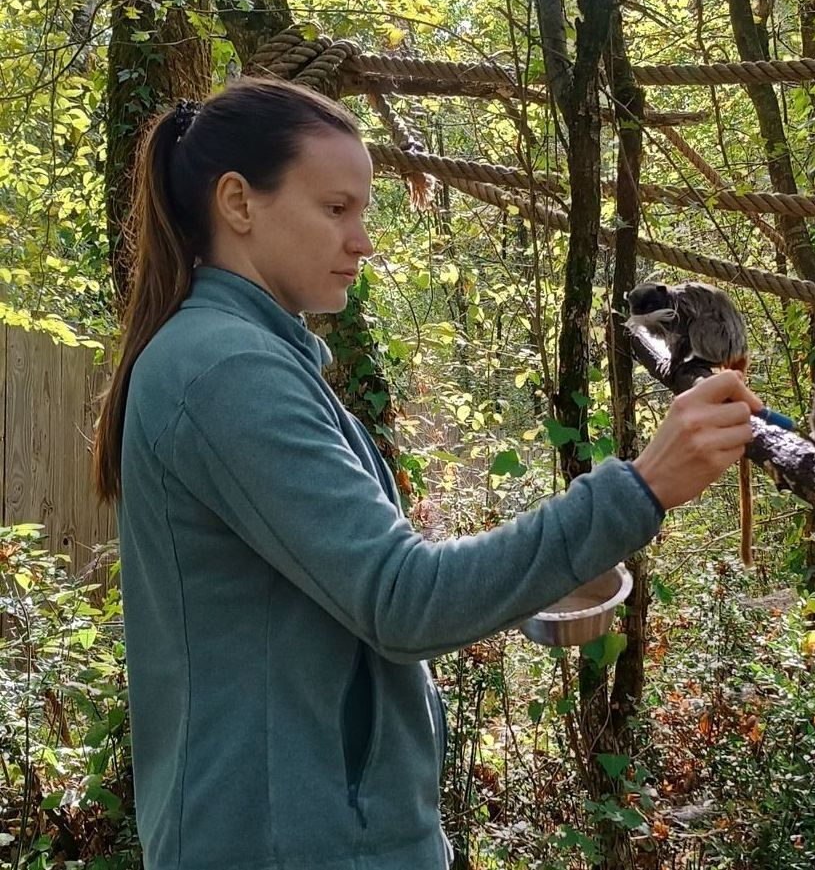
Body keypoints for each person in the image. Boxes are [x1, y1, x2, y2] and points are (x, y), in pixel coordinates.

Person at [93, 77, 762, 870]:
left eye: (362, 211)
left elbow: (354, 581)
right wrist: (641, 486)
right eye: (335, 209)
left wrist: (519, 571)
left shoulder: (241, 356)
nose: (362, 239)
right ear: (238, 202)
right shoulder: (226, 370)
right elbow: (400, 601)